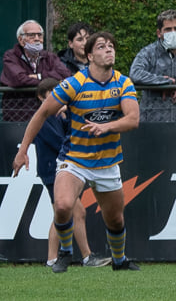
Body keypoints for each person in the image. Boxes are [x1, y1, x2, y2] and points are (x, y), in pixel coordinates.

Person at [11, 31, 141, 272]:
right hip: (74, 159)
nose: (109, 50)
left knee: (115, 218)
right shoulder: (74, 83)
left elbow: (133, 119)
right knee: (62, 205)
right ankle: (66, 253)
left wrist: (106, 126)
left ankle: (119, 260)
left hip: (107, 162)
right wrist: (24, 150)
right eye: (102, 47)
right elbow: (41, 113)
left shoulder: (123, 82)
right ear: (90, 55)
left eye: (111, 46)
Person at [32, 77, 104, 269]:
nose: (58, 97)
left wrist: (67, 113)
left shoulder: (58, 116)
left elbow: (70, 131)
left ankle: (52, 259)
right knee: (75, 211)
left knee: (63, 212)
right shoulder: (44, 117)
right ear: (41, 97)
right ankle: (86, 257)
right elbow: (60, 141)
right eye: (52, 94)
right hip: (51, 171)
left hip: (59, 169)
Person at [2, 20, 70, 123]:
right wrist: (49, 81)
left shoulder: (49, 56)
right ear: (21, 40)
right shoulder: (10, 57)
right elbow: (19, 79)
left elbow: (65, 74)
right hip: (19, 115)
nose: (37, 39)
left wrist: (39, 76)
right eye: (32, 35)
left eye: (39, 35)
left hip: (47, 115)